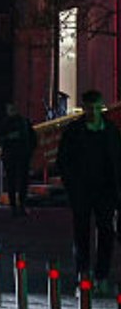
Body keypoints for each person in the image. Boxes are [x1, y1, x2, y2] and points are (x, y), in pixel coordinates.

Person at [56, 90, 121, 294]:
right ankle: (83, 276)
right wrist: (71, 186)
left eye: (95, 108)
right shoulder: (74, 131)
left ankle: (101, 277)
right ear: (84, 108)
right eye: (89, 108)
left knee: (106, 233)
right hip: (82, 191)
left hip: (106, 191)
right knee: (81, 235)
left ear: (101, 108)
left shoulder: (110, 130)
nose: (93, 112)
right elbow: (63, 161)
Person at [0, 102, 37, 217]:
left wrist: (29, 150)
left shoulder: (22, 122)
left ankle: (19, 206)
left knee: (19, 181)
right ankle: (15, 207)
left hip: (19, 155)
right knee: (14, 182)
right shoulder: (8, 123)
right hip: (14, 155)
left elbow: (32, 138)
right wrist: (8, 137)